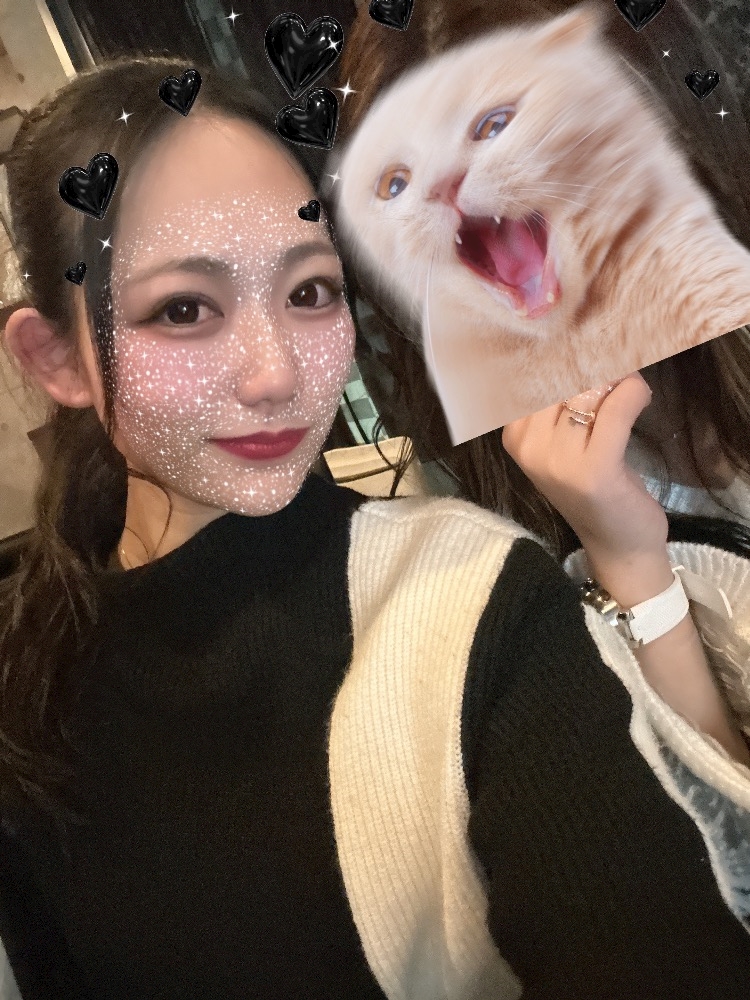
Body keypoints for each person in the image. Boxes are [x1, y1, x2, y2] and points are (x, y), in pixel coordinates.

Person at [1, 53, 750, 1000]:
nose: (277, 373)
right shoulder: (28, 677)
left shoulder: (470, 607)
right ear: (55, 359)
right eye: (185, 308)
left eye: (309, 291)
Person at [335, 0, 750, 555]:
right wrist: (619, 562)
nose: (445, 183)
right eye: (397, 182)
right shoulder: (470, 505)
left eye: (494, 124)